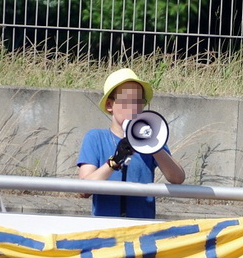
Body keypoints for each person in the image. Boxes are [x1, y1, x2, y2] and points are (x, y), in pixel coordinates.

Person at [77, 68, 186, 218]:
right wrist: (114, 161)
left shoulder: (152, 140)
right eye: (126, 101)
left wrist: (153, 145)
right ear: (109, 104)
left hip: (141, 228)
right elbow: (83, 190)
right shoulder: (96, 138)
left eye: (138, 101)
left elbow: (177, 178)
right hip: (105, 226)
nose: (133, 107)